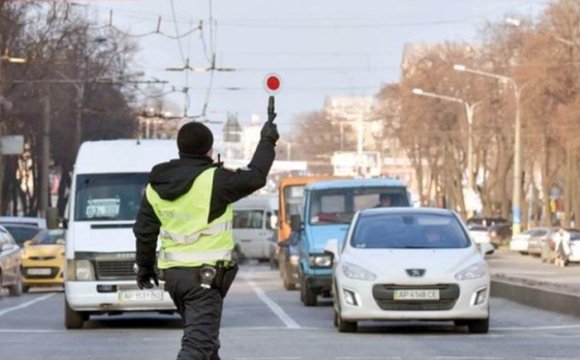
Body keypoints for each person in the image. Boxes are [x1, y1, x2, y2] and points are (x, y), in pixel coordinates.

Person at [133, 110, 279, 359]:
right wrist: (267, 141)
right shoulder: (215, 180)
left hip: (174, 278)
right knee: (197, 346)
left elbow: (145, 232)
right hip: (204, 278)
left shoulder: (155, 186)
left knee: (207, 344)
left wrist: (145, 268)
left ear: (180, 149)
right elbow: (255, 176)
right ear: (209, 149)